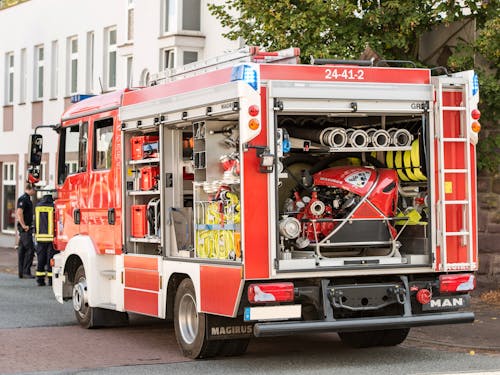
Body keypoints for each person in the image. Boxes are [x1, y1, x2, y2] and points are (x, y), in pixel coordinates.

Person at [34, 193, 55, 286]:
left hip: (40, 237)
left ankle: (40, 280)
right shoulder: (54, 206)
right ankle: (51, 280)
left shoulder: (37, 207)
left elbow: (35, 221)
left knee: (40, 259)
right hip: (51, 238)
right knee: (50, 259)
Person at [16, 183, 35, 279]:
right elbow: (19, 213)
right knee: (30, 249)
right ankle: (26, 271)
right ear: (30, 189)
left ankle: (21, 272)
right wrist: (24, 226)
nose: (35, 191)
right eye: (34, 189)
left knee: (22, 250)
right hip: (25, 229)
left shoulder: (26, 198)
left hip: (25, 228)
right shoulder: (24, 199)